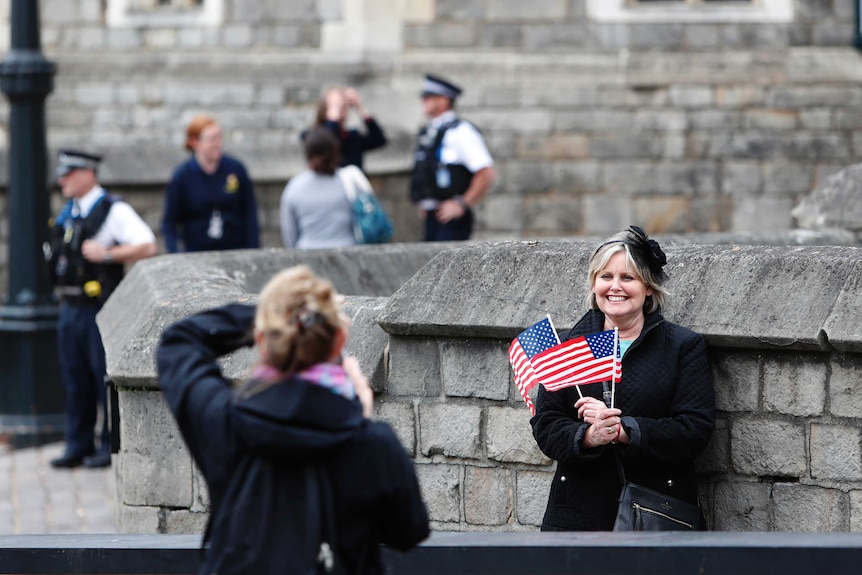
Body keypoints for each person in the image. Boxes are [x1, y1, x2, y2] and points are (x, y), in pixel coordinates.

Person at [156, 265, 429, 575]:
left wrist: (273, 313)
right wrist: (361, 418)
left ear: (262, 339)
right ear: (340, 341)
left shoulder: (224, 421)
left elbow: (179, 341)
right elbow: (408, 532)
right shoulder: (371, 442)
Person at [530, 226, 715, 531]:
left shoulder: (682, 346)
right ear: (594, 284)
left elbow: (694, 429)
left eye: (627, 278)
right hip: (578, 516)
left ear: (649, 288)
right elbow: (546, 426)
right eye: (606, 277)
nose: (615, 287)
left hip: (655, 514)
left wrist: (623, 430)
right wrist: (589, 436)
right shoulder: (565, 347)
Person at [47, 149, 158, 469]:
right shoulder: (70, 211)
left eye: (69, 173)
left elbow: (147, 245)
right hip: (69, 306)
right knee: (74, 378)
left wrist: (107, 254)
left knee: (101, 377)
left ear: (88, 174)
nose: (62, 179)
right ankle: (78, 443)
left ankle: (109, 444)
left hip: (99, 308)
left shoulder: (112, 209)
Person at [409, 73, 495, 242]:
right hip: (432, 216)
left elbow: (486, 172)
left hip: (451, 219)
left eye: (428, 97)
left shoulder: (461, 132)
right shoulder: (430, 131)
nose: (423, 102)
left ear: (443, 100)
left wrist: (462, 203)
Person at [161, 115, 260, 253]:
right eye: (211, 139)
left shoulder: (235, 169)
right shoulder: (182, 176)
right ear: (195, 142)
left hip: (235, 249)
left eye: (219, 137)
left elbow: (250, 212)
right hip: (197, 251)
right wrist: (176, 253)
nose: (217, 143)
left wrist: (253, 250)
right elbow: (169, 222)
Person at [280, 127, 357, 249]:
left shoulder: (294, 186)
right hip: (347, 252)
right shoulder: (350, 180)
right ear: (335, 152)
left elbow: (289, 233)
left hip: (308, 255)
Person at [307, 86, 387, 171]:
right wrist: (333, 114)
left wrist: (359, 106)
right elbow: (324, 144)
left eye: (344, 105)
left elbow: (379, 140)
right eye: (336, 104)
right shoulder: (312, 136)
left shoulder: (353, 137)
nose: (341, 108)